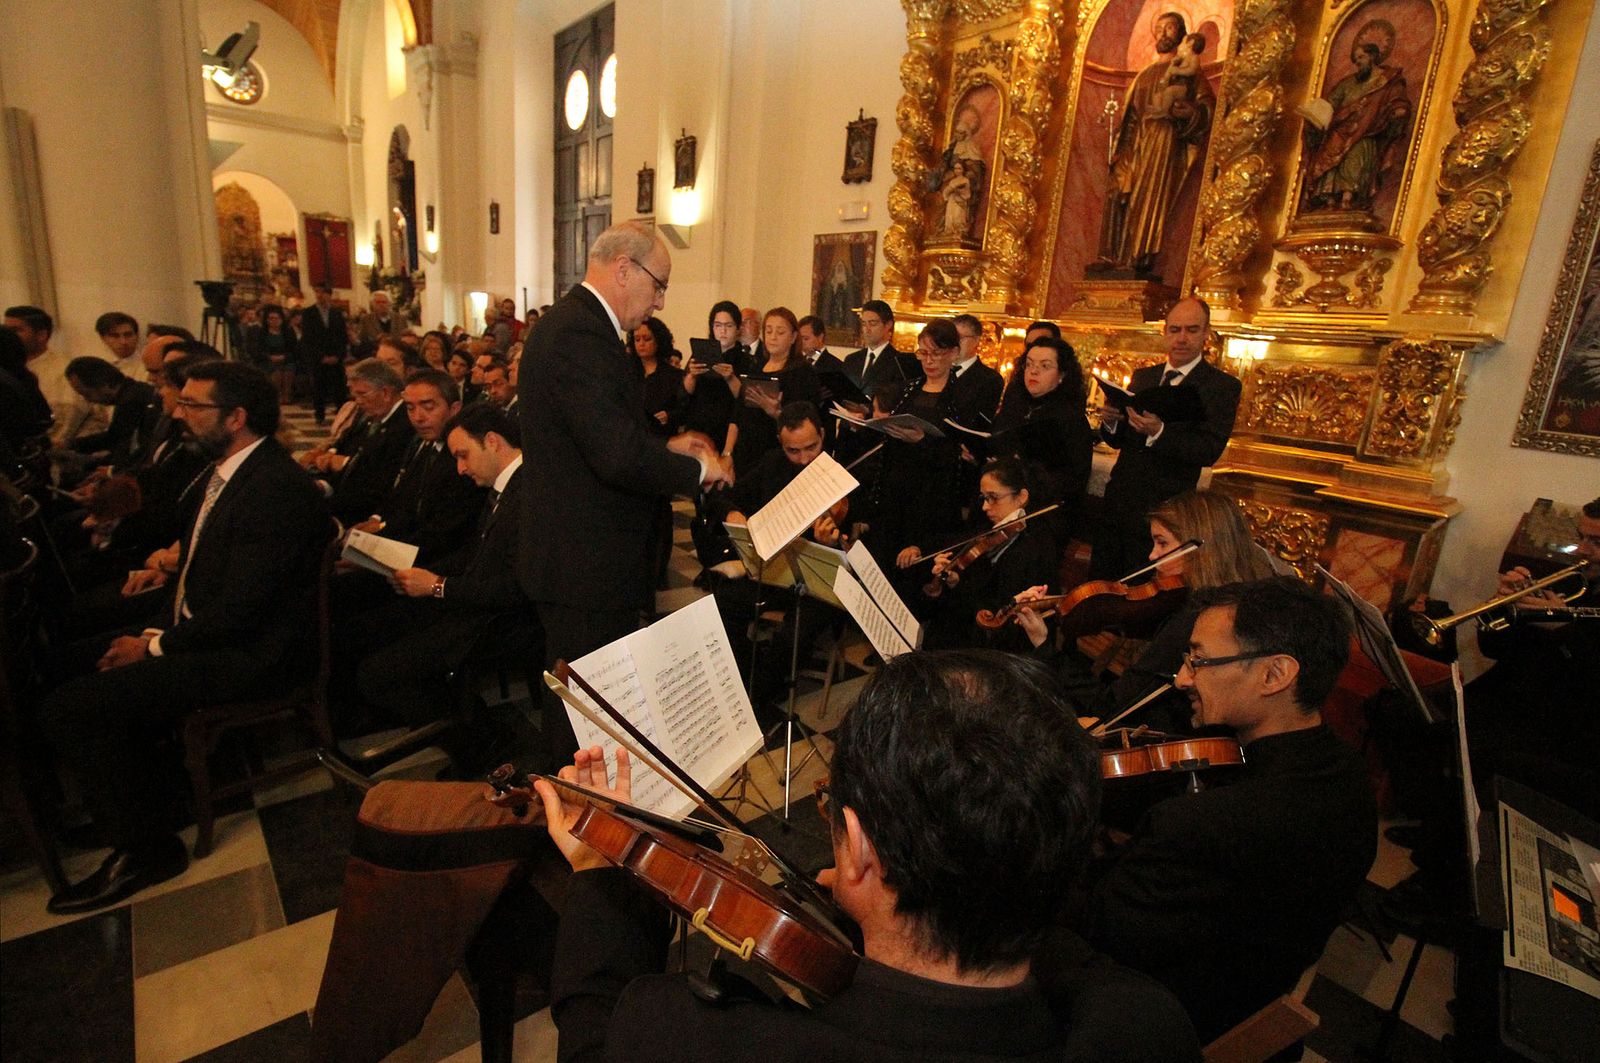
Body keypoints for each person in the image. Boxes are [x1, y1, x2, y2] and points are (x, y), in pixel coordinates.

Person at [535, 650, 1200, 1062]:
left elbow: (595, 1034)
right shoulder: (1147, 1027)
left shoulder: (692, 1038)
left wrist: (599, 875)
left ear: (857, 850)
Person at [40, 361, 329, 913]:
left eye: (194, 407)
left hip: (255, 654)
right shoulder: (226, 470)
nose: (178, 413)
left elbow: (245, 609)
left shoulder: (274, 487)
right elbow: (217, 564)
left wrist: (153, 646)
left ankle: (146, 849)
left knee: (72, 708)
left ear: (236, 417)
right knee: (65, 660)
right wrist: (171, 577)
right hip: (212, 628)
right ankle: (128, 803)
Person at [1082, 577, 1377, 1042]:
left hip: (1163, 1022)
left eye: (1198, 660)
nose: (1181, 678)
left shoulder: (1202, 826)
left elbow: (1094, 935)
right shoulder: (1346, 772)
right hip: (1245, 981)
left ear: (1275, 675)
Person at [517, 220, 730, 768]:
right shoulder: (580, 334)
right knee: (581, 714)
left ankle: (575, 816)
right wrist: (699, 472)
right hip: (583, 560)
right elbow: (613, 455)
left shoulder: (573, 325)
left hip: (576, 555)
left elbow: (606, 433)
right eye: (658, 284)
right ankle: (576, 828)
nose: (660, 301)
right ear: (623, 270)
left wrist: (669, 443)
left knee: (582, 704)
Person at [352, 403, 531, 768]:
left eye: (463, 456)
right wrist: (418, 572)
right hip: (476, 605)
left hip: (504, 621)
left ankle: (480, 741)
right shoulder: (503, 488)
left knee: (380, 674)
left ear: (493, 442)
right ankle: (472, 734)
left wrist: (437, 586)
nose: (460, 469)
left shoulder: (528, 492)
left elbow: (515, 585)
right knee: (372, 629)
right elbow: (477, 555)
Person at [1016, 489, 1280, 732]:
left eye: (1162, 543)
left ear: (1203, 548)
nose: (1152, 556)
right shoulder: (1244, 599)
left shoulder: (1194, 620)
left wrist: (1043, 643)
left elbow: (1107, 707)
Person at [1091, 297, 1240, 579]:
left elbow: (1208, 449)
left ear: (1206, 333)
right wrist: (1111, 422)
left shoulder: (1220, 386)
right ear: (1165, 332)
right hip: (1120, 502)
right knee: (1102, 586)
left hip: (1166, 511)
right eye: (1175, 330)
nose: (1182, 338)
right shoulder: (1144, 377)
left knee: (1144, 593)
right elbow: (1121, 441)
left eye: (1191, 330)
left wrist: (1159, 432)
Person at [1091, 12, 1214, 276]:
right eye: (1159, 29)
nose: (1163, 34)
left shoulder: (1191, 73)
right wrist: (1121, 154)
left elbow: (1207, 109)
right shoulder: (1143, 76)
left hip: (1162, 142)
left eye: (1169, 28)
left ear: (1181, 34)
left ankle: (1137, 259)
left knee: (1148, 200)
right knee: (1117, 193)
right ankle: (1112, 256)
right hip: (1136, 144)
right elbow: (1130, 119)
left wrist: (1190, 112)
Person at [920, 457, 1060, 653]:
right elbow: (979, 592)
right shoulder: (992, 531)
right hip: (981, 625)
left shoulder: (1033, 546)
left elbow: (998, 609)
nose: (985, 506)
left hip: (1004, 641)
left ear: (1021, 497)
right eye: (983, 498)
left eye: (993, 497)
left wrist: (958, 591)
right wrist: (952, 582)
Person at [1300, 24, 1412, 215]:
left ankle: (1348, 198)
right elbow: (1330, 104)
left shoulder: (1387, 80)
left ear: (1373, 57)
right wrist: (1315, 117)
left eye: (1361, 58)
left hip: (1367, 130)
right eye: (1355, 59)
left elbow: (1397, 99)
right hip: (1341, 130)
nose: (1357, 63)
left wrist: (1398, 110)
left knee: (1357, 153)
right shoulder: (1347, 84)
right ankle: (1328, 198)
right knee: (1329, 150)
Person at [989, 336, 1094, 512]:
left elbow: (1074, 480)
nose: (1033, 371)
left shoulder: (1070, 418)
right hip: (996, 503)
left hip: (1039, 512)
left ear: (1062, 375)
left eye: (1045, 366)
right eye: (1029, 364)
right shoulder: (1013, 406)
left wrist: (1023, 469)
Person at [724, 307, 823, 475]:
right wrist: (727, 453)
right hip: (746, 452)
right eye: (768, 331)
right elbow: (737, 415)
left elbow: (807, 423)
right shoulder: (755, 366)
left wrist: (776, 413)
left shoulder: (802, 372)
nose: (773, 337)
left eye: (780, 332)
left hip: (778, 456)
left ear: (793, 337)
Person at [676, 300, 746, 455]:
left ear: (738, 328)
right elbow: (684, 393)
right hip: (698, 425)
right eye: (718, 325)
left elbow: (744, 399)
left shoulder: (744, 359)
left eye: (728, 326)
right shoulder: (700, 353)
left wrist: (730, 378)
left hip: (725, 429)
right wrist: (692, 376)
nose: (723, 331)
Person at [301, 285, 351, 426]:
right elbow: (308, 338)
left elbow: (342, 335)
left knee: (339, 387)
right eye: (317, 292)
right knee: (319, 387)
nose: (320, 295)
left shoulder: (336, 313)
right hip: (318, 358)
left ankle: (341, 414)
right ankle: (320, 415)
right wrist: (320, 356)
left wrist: (338, 355)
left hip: (335, 356)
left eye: (323, 292)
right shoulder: (308, 313)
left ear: (330, 295)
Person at [842, 299, 917, 391]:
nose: (867, 329)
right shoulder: (851, 360)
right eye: (864, 324)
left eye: (873, 323)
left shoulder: (898, 362)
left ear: (888, 325)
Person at [630, 317, 683, 437]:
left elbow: (684, 409)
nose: (641, 344)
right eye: (637, 339)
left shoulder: (674, 375)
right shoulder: (628, 372)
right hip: (633, 438)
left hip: (662, 438)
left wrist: (669, 415)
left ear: (658, 341)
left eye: (647, 339)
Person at [248, 304, 301, 407]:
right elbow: (258, 350)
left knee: (288, 370)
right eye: (271, 318)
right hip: (267, 360)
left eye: (276, 318)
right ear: (267, 320)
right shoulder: (261, 333)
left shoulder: (288, 332)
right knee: (275, 372)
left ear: (281, 319)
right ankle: (277, 396)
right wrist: (270, 357)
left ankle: (287, 395)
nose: (274, 321)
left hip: (286, 358)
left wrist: (284, 357)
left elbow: (294, 349)